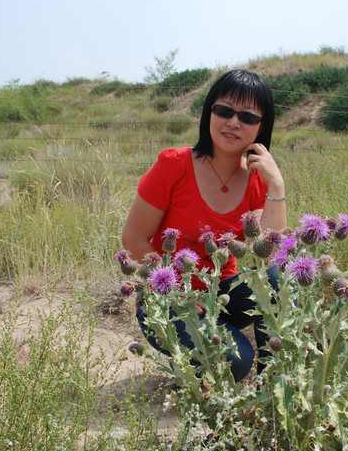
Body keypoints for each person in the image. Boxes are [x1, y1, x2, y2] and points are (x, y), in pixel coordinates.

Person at [121, 69, 286, 382]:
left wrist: (276, 185)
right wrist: (176, 294)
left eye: (247, 117)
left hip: (221, 295)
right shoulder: (173, 165)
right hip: (166, 297)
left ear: (261, 127)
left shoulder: (256, 180)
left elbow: (270, 253)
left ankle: (272, 389)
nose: (233, 123)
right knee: (236, 361)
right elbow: (134, 239)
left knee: (278, 276)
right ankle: (189, 362)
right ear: (209, 112)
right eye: (224, 111)